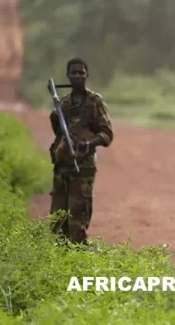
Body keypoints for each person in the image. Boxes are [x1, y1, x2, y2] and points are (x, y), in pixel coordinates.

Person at [49, 57, 114, 245]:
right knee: (58, 224)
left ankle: (78, 266)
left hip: (83, 169)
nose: (77, 76)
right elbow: (58, 132)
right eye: (73, 72)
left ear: (87, 75)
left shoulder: (94, 102)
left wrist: (88, 144)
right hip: (62, 169)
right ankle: (61, 268)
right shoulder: (62, 104)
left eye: (81, 72)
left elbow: (107, 134)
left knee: (77, 224)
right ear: (67, 76)